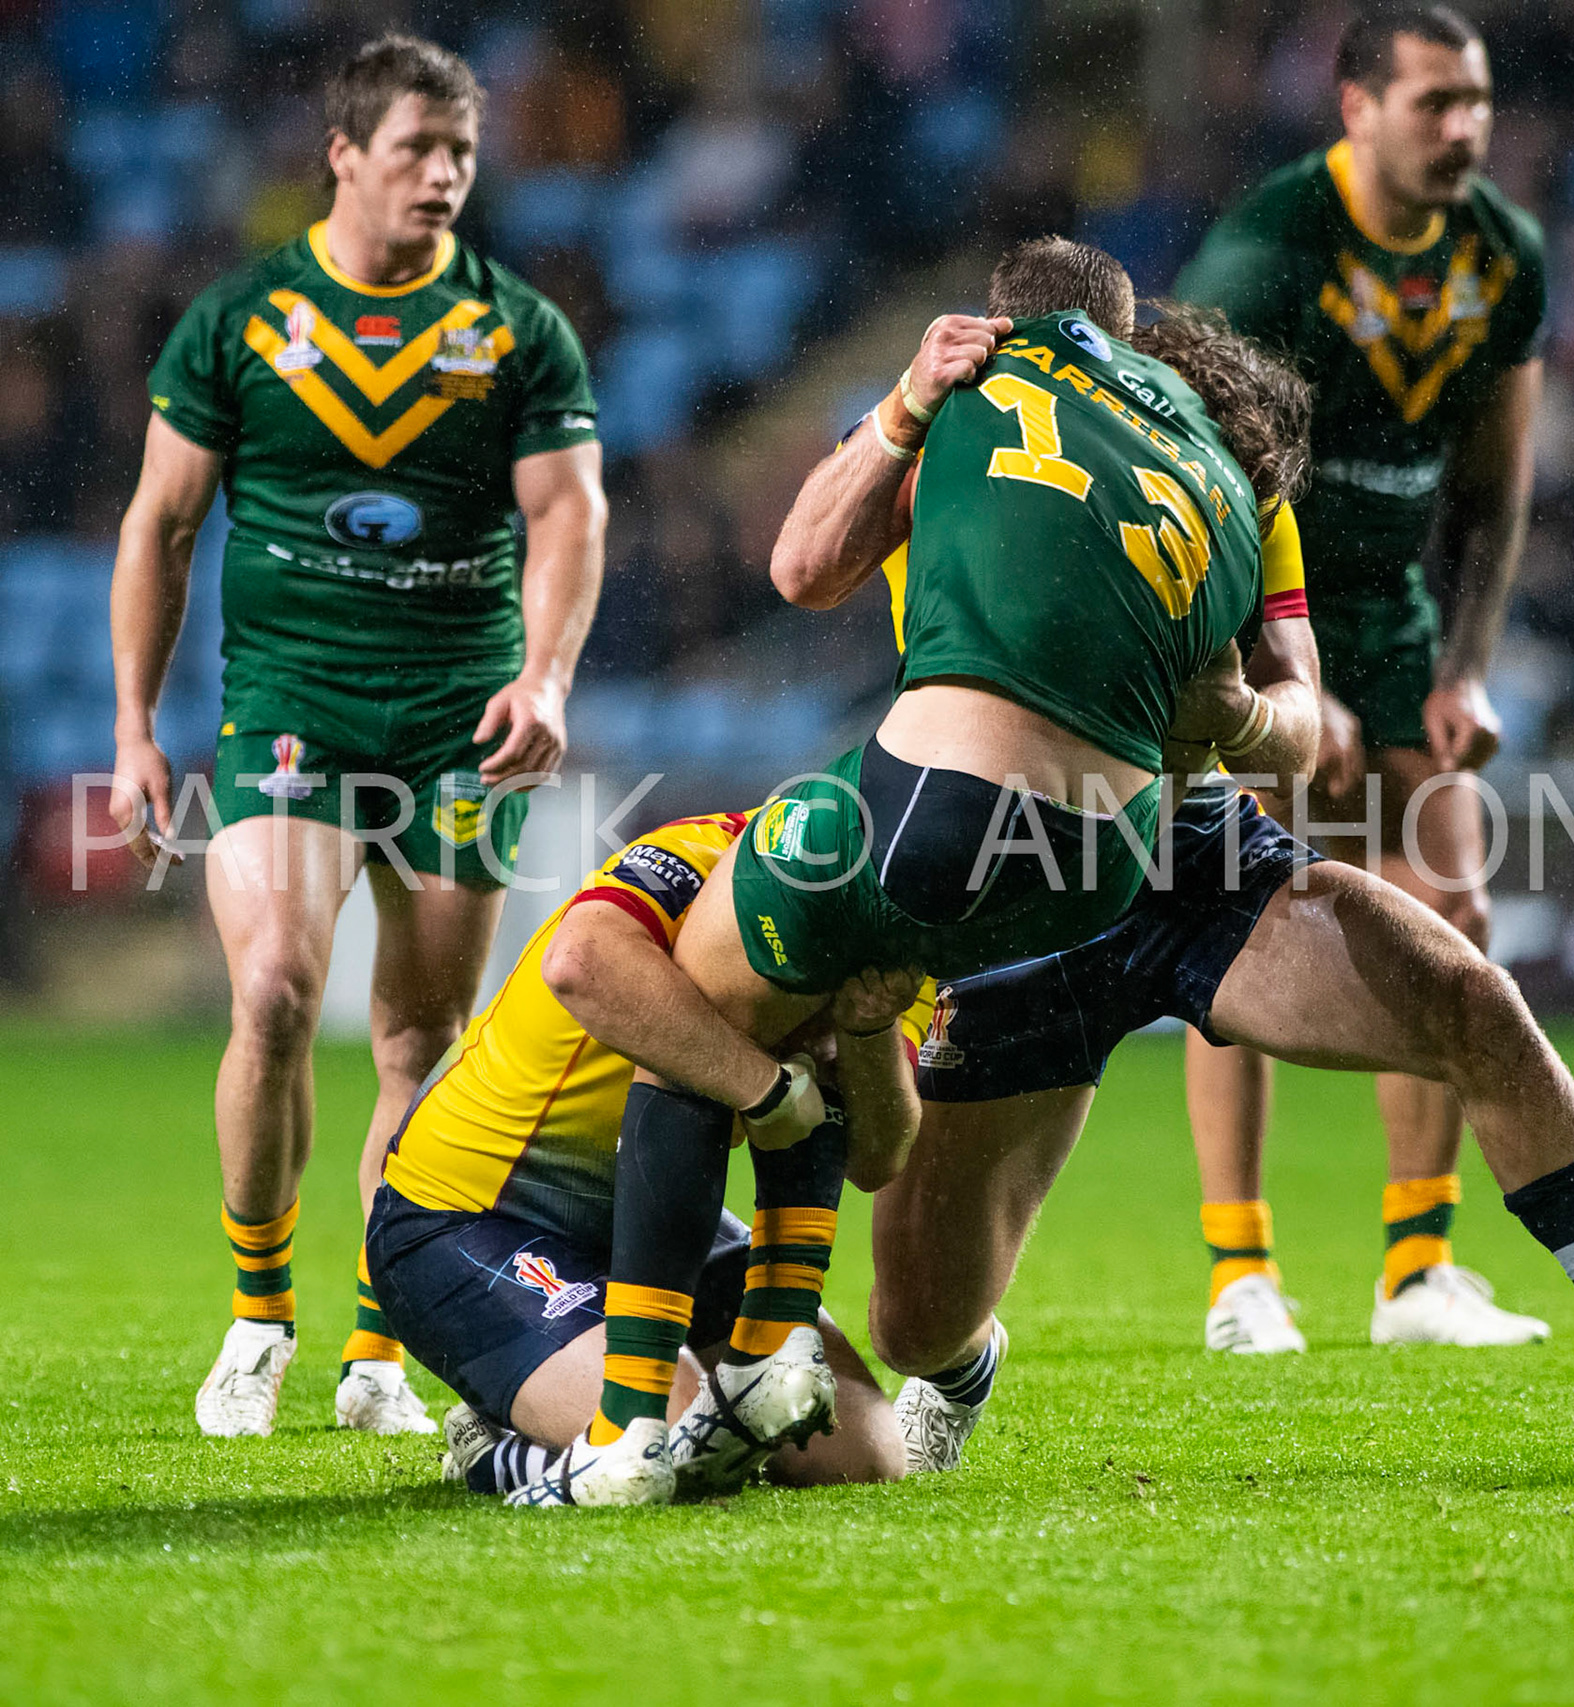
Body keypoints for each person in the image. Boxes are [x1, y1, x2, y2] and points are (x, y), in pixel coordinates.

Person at [547, 239, 1319, 1507]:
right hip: (1099, 860)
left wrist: (903, 405)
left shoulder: (957, 407)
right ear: (1125, 342)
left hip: (942, 815)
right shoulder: (1206, 467)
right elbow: (1298, 713)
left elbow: (799, 573)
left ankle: (646, 1415)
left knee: (703, 1021)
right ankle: (816, 1354)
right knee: (873, 1123)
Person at [107, 34, 606, 1437]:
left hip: (461, 716)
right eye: (415, 151)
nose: (444, 176)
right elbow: (160, 522)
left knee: (421, 1038)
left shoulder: (516, 329)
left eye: (460, 153)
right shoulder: (243, 319)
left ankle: (381, 1339)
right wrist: (136, 727)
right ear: (343, 155)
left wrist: (552, 674)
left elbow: (570, 514)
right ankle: (257, 1316)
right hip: (291, 711)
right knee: (270, 989)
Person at [867, 781, 1574, 1487]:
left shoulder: (1224, 501)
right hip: (1014, 879)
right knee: (912, 1329)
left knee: (1471, 1000)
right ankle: (965, 1362)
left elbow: (1293, 712)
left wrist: (1245, 708)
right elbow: (808, 569)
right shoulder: (947, 496)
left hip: (1193, 853)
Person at [1174, 4, 1550, 1350]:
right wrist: (1276, 665)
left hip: (1389, 618)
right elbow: (1191, 465)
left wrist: (1467, 665)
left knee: (1454, 907)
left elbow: (1497, 491)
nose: (1464, 128)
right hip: (1247, 601)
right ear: (1357, 108)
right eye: (1435, 102)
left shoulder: (1504, 256)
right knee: (1235, 927)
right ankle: (1241, 1276)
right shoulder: (1275, 247)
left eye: (1478, 102)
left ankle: (1414, 1272)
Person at [362, 811, 922, 1503]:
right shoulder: (708, 852)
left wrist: (870, 1027)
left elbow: (877, 1156)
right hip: (466, 1213)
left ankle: (550, 1394)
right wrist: (766, 1089)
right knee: (670, 1439)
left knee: (862, 1454)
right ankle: (493, 1448)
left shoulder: (906, 918)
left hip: (654, 1210)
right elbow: (580, 964)